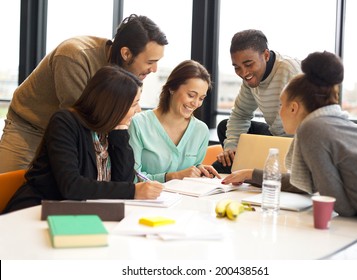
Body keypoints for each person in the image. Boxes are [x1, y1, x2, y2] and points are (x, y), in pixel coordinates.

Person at [223, 51, 357, 225]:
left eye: (281, 104)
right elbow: (308, 184)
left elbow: (338, 205)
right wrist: (250, 174)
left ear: (294, 108)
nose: (278, 112)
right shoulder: (331, 122)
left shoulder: (312, 130)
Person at [0, 14, 168, 173]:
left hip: (70, 135)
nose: (154, 69)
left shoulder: (133, 75)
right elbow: (79, 121)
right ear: (126, 53)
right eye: (150, 62)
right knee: (11, 194)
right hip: (30, 127)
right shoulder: (74, 56)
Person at [2, 65, 164, 214]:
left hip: (78, 213)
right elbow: (72, 187)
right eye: (133, 104)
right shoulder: (65, 122)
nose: (138, 110)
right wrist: (133, 191)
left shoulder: (109, 130)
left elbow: (123, 180)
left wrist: (120, 133)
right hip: (37, 211)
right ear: (113, 106)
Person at [213, 29, 301, 173]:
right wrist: (231, 146)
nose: (243, 73)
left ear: (265, 55)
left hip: (296, 144)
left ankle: (247, 171)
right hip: (275, 138)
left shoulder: (290, 71)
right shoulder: (250, 79)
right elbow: (240, 114)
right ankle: (236, 167)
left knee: (221, 169)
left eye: (248, 64)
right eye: (237, 68)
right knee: (224, 127)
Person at [129, 60, 221, 182]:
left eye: (201, 98)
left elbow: (192, 168)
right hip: (147, 199)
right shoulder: (138, 124)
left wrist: (199, 170)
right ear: (172, 88)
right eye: (191, 95)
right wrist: (171, 176)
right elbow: (132, 178)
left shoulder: (201, 130)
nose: (196, 103)